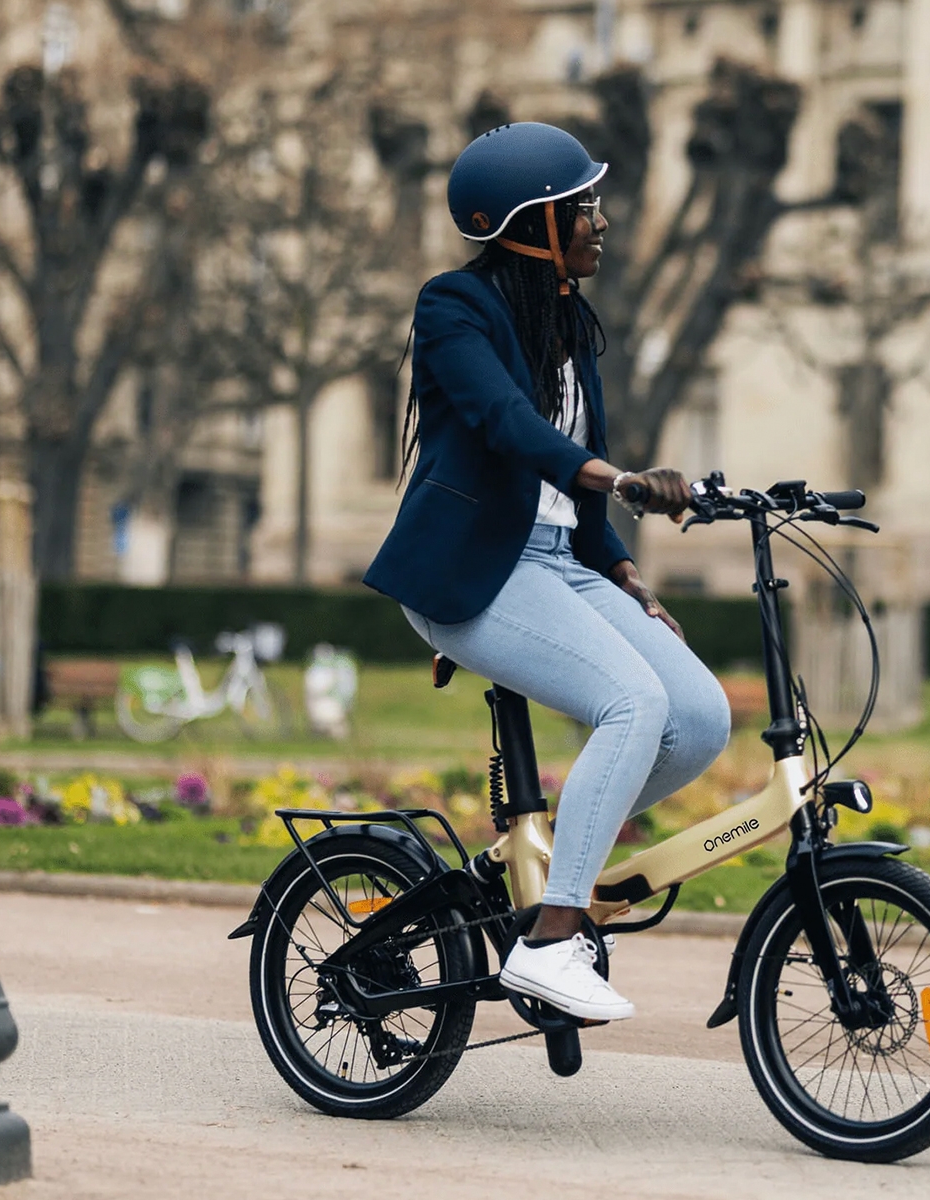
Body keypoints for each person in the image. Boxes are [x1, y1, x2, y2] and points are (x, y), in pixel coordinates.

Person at [363, 122, 732, 1023]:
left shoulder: (568, 320)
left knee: (698, 718)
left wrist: (629, 576)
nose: (600, 222)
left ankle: (539, 877)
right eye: (583, 207)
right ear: (535, 222)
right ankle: (552, 940)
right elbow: (504, 424)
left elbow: (580, 483)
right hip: (472, 574)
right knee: (632, 705)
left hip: (563, 565)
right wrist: (616, 477)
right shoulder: (453, 306)